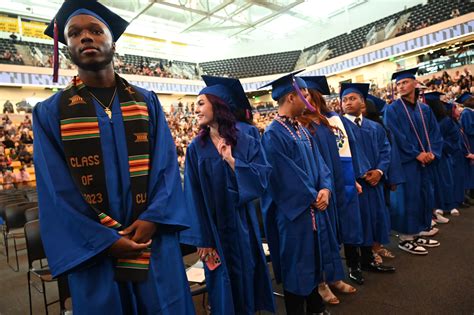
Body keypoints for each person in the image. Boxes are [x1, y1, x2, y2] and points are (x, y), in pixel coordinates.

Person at [34, 1, 194, 313]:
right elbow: (56, 189)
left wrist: (152, 217)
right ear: (65, 46)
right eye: (74, 33)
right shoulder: (49, 113)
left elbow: (165, 168)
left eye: (95, 30)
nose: (85, 37)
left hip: (152, 240)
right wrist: (104, 240)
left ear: (113, 41)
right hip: (95, 251)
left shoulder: (146, 102)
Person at [180, 78, 275, 315]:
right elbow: (192, 194)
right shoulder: (195, 147)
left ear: (218, 104)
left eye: (201, 103)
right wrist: (202, 238)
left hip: (243, 224)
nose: (196, 109)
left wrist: (233, 162)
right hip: (214, 229)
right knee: (222, 285)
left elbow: (262, 179)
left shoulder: (247, 137)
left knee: (247, 274)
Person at [260, 71, 331, 315]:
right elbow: (284, 176)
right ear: (292, 97)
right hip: (293, 215)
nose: (309, 101)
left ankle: (315, 307)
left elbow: (320, 164)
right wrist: (313, 196)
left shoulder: (300, 130)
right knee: (296, 265)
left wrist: (325, 188)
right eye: (306, 95)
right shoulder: (273, 134)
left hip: (311, 207)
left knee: (311, 261)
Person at [297, 76, 356, 304]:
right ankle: (321, 283)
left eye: (309, 94)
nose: (306, 98)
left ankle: (334, 277)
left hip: (331, 183)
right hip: (317, 188)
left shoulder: (322, 121)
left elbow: (335, 157)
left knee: (332, 234)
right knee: (319, 237)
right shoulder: (299, 127)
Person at [384, 68, 443, 255]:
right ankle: (405, 238)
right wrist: (416, 154)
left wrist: (432, 152)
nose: (401, 86)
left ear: (415, 83)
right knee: (407, 198)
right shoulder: (392, 109)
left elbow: (435, 132)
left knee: (422, 196)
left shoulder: (424, 109)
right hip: (407, 162)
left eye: (405, 82)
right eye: (399, 84)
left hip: (425, 161)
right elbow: (396, 136)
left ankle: (417, 231)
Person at [340, 83, 396, 276]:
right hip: (354, 184)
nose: (348, 102)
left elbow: (385, 150)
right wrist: (364, 173)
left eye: (352, 98)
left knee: (372, 220)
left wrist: (379, 171)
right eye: (345, 99)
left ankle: (368, 259)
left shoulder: (375, 127)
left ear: (363, 102)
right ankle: (353, 265)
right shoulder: (338, 127)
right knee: (354, 223)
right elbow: (340, 156)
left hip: (374, 184)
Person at [425, 92, 461, 217]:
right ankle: (438, 205)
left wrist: (440, 145)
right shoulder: (426, 120)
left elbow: (455, 138)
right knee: (435, 182)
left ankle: (451, 205)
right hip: (430, 156)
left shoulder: (446, 121)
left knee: (446, 180)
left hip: (443, 155)